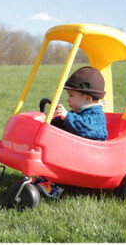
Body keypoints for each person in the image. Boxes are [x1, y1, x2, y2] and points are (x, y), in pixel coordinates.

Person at [35, 66, 108, 199]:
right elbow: (69, 128)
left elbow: (86, 129)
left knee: (58, 156)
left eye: (71, 96)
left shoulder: (96, 115)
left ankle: (55, 185)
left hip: (91, 159)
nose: (68, 100)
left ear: (88, 98)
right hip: (78, 154)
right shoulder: (79, 112)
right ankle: (47, 177)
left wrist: (68, 117)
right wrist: (54, 123)